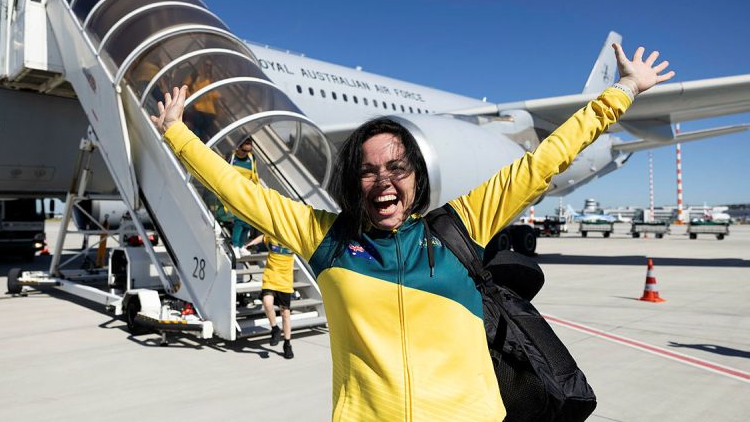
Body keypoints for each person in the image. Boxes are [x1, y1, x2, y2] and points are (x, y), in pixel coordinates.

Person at [152, 44, 673, 421]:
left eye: (397, 168)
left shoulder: (460, 226)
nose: (383, 181)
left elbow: (541, 162)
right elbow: (239, 192)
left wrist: (622, 91)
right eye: (368, 169)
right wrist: (177, 134)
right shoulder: (324, 239)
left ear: (416, 178)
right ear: (351, 180)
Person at [245, 234, 296, 359]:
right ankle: (274, 328)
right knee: (267, 302)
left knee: (285, 313)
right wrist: (251, 243)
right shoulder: (272, 235)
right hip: (270, 276)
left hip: (285, 280)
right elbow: (263, 237)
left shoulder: (294, 238)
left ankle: (287, 344)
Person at [225, 137, 259, 255]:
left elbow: (254, 175)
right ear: (238, 147)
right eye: (244, 151)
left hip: (248, 192)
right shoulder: (231, 157)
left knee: (248, 221)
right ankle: (235, 244)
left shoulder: (251, 158)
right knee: (239, 220)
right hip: (235, 192)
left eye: (248, 151)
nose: (246, 153)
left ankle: (241, 245)